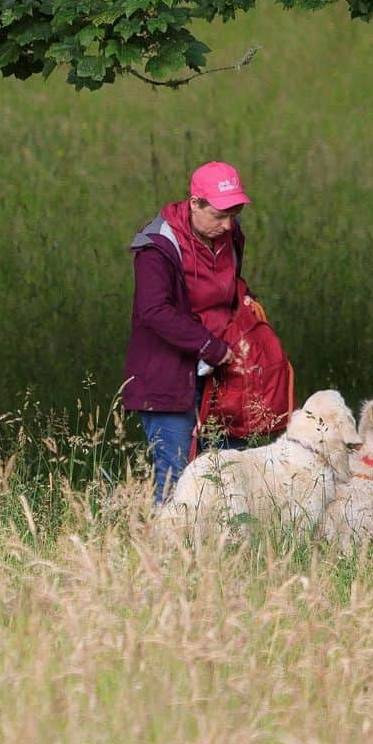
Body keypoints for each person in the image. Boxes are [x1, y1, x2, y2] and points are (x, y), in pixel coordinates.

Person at [123, 161, 257, 502]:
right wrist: (208, 345)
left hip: (222, 372)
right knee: (178, 478)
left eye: (234, 213)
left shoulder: (230, 235)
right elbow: (152, 311)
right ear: (194, 202)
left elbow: (228, 288)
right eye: (219, 215)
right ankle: (164, 552)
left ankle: (222, 552)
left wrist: (248, 306)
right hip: (167, 376)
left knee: (227, 472)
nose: (228, 224)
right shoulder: (157, 245)